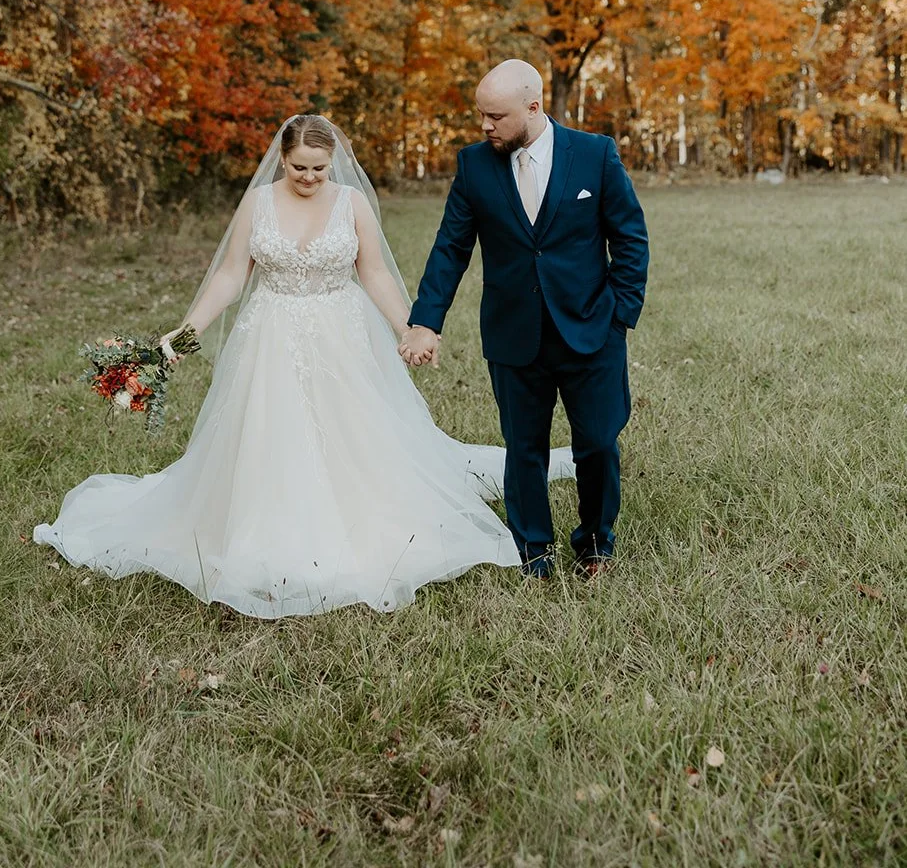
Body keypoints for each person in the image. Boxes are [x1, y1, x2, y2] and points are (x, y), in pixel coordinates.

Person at [34, 114, 573, 617]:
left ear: (333, 161)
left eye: (320, 168)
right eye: (300, 169)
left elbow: (376, 274)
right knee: (270, 436)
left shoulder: (351, 203)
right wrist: (182, 335)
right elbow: (230, 276)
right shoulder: (258, 203)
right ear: (282, 161)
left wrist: (406, 327)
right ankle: (264, 534)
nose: (311, 178)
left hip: (342, 335)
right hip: (270, 335)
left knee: (355, 435)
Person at [401, 61, 649, 580]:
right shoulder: (474, 165)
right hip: (514, 334)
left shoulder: (594, 154)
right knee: (524, 449)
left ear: (533, 108)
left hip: (591, 329)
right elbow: (451, 248)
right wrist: (427, 321)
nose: (485, 126)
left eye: (495, 116)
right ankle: (534, 551)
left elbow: (629, 237)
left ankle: (596, 545)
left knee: (600, 443)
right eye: (481, 115)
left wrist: (620, 314)